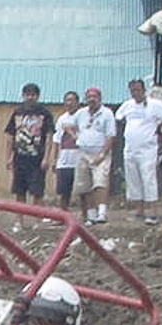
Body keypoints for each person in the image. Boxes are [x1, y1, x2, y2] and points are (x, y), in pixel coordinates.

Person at [116, 79, 162, 224]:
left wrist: (161, 124)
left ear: (144, 90)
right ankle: (139, 212)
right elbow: (119, 117)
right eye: (132, 90)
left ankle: (153, 213)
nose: (135, 93)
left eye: (138, 90)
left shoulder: (154, 104)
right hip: (130, 148)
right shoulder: (127, 105)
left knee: (148, 179)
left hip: (147, 149)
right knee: (133, 180)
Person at [5, 82, 56, 206]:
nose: (30, 97)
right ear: (23, 96)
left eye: (33, 95)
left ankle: (37, 221)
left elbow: (49, 136)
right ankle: (19, 221)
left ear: (37, 96)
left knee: (37, 192)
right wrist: (8, 157)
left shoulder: (45, 113)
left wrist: (46, 158)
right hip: (20, 157)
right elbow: (10, 136)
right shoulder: (17, 112)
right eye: (27, 95)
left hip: (37, 159)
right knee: (19, 191)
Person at [70, 86, 116, 224]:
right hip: (83, 153)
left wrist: (102, 154)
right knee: (84, 186)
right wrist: (76, 137)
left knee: (100, 183)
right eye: (89, 97)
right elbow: (68, 125)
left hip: (100, 152)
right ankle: (91, 215)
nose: (92, 99)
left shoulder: (107, 113)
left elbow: (111, 136)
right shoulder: (81, 113)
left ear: (100, 98)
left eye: (94, 97)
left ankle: (102, 213)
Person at [52, 91, 80, 214]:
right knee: (63, 191)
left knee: (84, 191)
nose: (69, 103)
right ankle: (63, 215)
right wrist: (54, 159)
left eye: (72, 100)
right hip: (64, 160)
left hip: (79, 159)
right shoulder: (61, 119)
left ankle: (87, 216)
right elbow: (57, 140)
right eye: (67, 100)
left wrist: (71, 132)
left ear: (77, 102)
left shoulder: (82, 116)